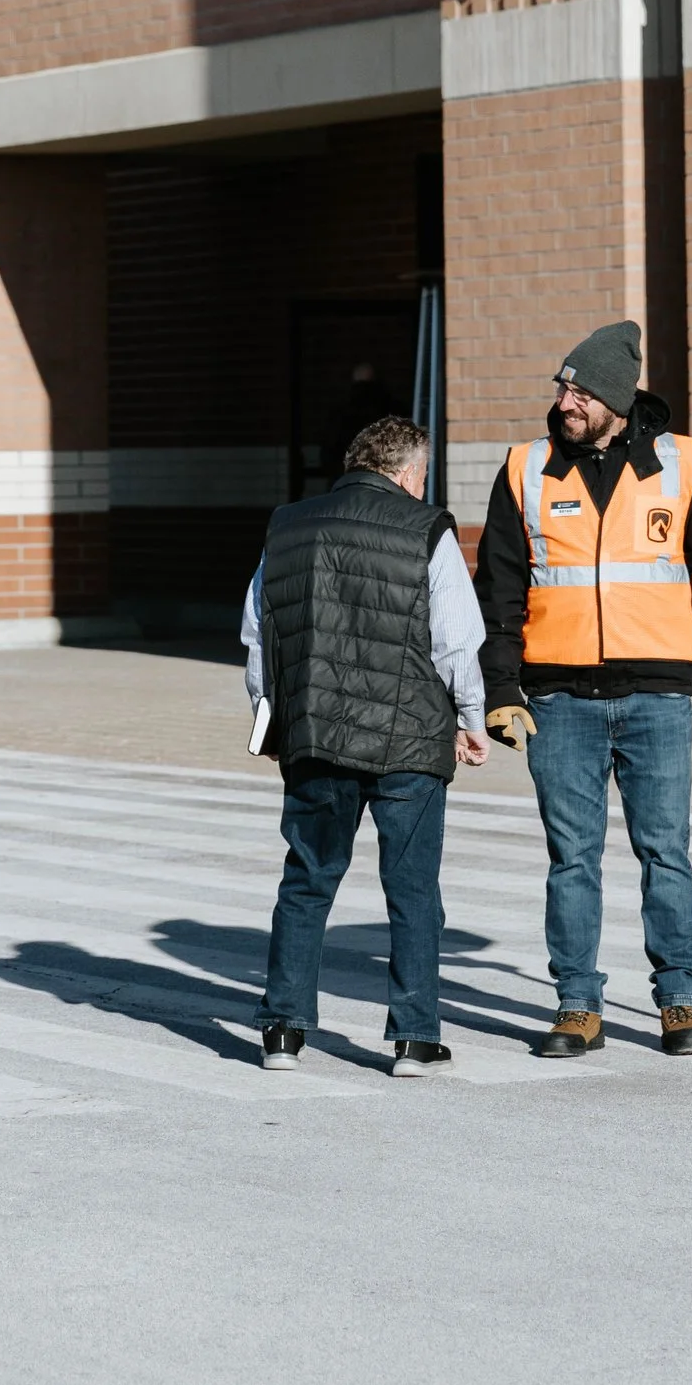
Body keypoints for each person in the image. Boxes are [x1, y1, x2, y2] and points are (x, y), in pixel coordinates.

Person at [478, 319, 692, 1058]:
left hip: (656, 699)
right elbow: (498, 596)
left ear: (614, 398)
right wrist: (499, 689)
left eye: (579, 389)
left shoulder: (681, 465)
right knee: (572, 858)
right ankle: (577, 1005)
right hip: (558, 700)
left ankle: (681, 1002)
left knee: (666, 851)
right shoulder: (523, 470)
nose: (565, 400)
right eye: (562, 387)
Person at [242, 411, 488, 1079]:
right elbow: (456, 643)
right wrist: (472, 716)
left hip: (315, 735)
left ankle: (282, 1033)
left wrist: (270, 718)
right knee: (412, 890)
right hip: (409, 740)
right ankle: (413, 1040)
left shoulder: (287, 526)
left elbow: (259, 636)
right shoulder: (426, 529)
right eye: (424, 476)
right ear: (410, 473)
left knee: (307, 881)